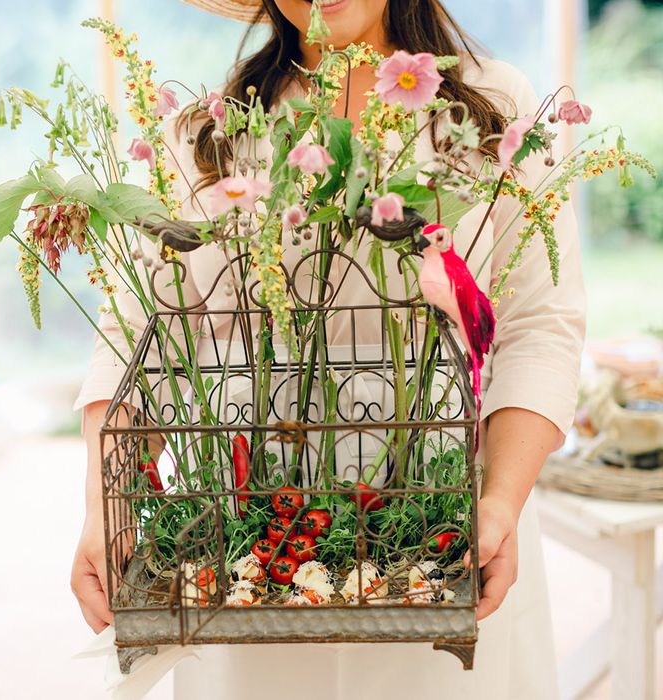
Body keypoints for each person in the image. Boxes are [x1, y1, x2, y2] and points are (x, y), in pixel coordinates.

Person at [70, 1, 586, 697]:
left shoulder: (492, 108)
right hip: (254, 562)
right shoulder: (208, 134)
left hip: (444, 547)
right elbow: (140, 338)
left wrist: (498, 504)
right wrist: (108, 508)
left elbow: (539, 324)